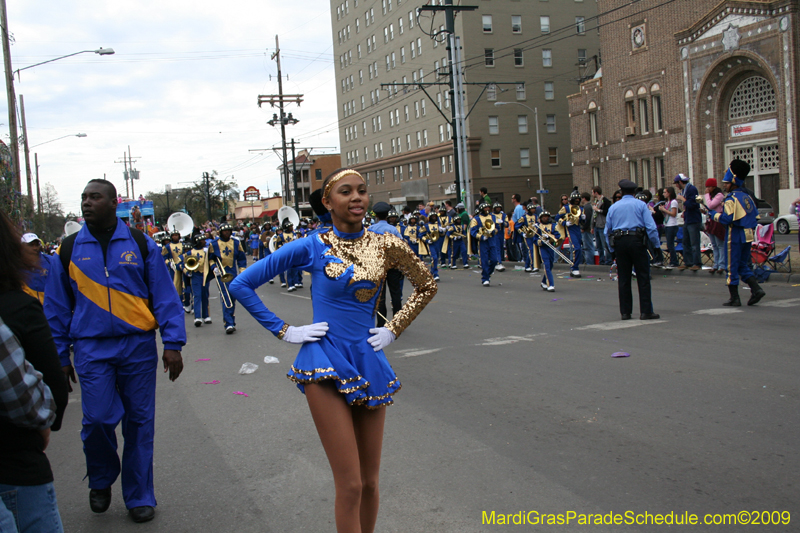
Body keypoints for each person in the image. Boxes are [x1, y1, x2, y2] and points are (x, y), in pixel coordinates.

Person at [229, 169, 436, 533]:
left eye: (361, 191)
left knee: (370, 483)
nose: (356, 197)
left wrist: (392, 329)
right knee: (351, 483)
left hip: (368, 358)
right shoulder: (312, 245)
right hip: (323, 362)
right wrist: (286, 330)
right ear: (327, 202)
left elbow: (426, 285)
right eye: (345, 192)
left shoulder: (386, 244)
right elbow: (242, 283)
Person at [44, 179, 185, 523]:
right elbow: (57, 307)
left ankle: (139, 495)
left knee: (139, 423)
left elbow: (165, 295)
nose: (87, 203)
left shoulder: (140, 243)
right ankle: (102, 478)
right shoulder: (69, 249)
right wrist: (60, 357)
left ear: (112, 202)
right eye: (84, 198)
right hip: (91, 348)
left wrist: (173, 343)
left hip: (137, 346)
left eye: (94, 197)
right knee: (96, 419)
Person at [1, 210, 69, 533]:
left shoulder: (51, 265)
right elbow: (35, 397)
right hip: (16, 467)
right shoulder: (16, 307)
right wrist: (44, 423)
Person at [605, 179, 661, 320]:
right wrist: (656, 245)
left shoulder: (614, 207)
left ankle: (625, 312)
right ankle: (646, 311)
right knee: (643, 276)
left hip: (620, 242)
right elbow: (651, 227)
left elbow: (607, 231)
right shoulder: (641, 205)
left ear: (621, 192)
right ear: (634, 192)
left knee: (623, 278)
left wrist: (612, 250)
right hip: (637, 241)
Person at [713, 161, 765, 306]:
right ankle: (757, 289)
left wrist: (713, 215)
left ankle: (734, 298)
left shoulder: (731, 199)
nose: (724, 185)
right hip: (748, 234)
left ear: (734, 182)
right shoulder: (747, 196)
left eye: (726, 183)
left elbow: (727, 219)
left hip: (734, 234)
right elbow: (754, 217)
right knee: (743, 265)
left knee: (731, 266)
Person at [368, 203, 404, 328]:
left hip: (378, 266)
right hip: (393, 265)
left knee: (380, 295)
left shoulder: (370, 229)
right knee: (395, 294)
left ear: (376, 215)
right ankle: (397, 323)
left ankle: (381, 322)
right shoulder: (393, 229)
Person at [207, 223, 247, 334]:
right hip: (221, 273)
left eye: (228, 231)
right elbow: (210, 259)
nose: (227, 233)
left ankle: (231, 320)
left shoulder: (236, 243)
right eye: (225, 231)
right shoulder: (214, 244)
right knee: (226, 298)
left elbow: (241, 259)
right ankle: (228, 323)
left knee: (233, 297)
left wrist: (242, 272)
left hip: (233, 273)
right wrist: (213, 267)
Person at [674, 174, 702, 271]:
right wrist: (685, 212)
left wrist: (682, 199)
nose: (676, 186)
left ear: (680, 182)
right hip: (688, 218)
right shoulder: (684, 190)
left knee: (694, 243)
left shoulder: (691, 189)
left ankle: (697, 263)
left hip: (694, 220)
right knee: (686, 242)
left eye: (676, 184)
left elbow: (693, 204)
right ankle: (688, 262)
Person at [470, 202, 498, 286]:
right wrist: (481, 236)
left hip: (492, 239)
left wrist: (493, 231)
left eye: (488, 208)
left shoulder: (493, 216)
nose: (487, 209)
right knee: (484, 260)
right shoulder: (476, 219)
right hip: (483, 242)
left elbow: (497, 228)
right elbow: (473, 231)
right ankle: (485, 278)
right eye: (485, 208)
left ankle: (488, 273)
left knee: (494, 260)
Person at [20, 233, 52, 305]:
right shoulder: (16, 265)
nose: (35, 248)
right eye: (31, 245)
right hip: (27, 309)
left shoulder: (50, 261)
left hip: (48, 309)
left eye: (37, 244)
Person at [702, 178, 726, 274]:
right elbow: (708, 208)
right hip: (711, 221)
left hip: (718, 221)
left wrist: (706, 195)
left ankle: (722, 265)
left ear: (713, 187)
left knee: (720, 244)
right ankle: (715, 264)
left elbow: (711, 205)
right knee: (714, 245)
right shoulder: (711, 196)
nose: (707, 189)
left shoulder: (719, 195)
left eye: (709, 187)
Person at [557, 189, 583, 277]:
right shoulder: (566, 208)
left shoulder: (580, 208)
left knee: (579, 249)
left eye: (578, 200)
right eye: (576, 200)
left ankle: (574, 266)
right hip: (570, 229)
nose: (577, 202)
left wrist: (583, 218)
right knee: (576, 248)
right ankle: (575, 268)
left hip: (578, 229)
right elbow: (557, 217)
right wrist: (564, 223)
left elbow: (583, 222)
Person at [533, 211, 560, 292]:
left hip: (551, 246)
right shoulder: (538, 227)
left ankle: (544, 281)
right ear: (541, 218)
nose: (545, 218)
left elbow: (557, 236)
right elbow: (534, 240)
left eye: (546, 216)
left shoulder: (553, 226)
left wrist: (550, 238)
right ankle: (550, 284)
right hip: (543, 248)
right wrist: (541, 241)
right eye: (543, 217)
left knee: (551, 265)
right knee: (547, 265)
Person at [658, 186, 680, 270]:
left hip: (672, 225)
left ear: (669, 193)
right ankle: (672, 261)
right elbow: (667, 214)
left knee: (670, 244)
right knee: (668, 244)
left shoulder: (674, 202)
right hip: (667, 224)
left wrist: (664, 209)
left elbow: (673, 214)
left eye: (665, 192)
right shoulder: (667, 202)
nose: (663, 194)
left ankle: (674, 261)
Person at [591, 187, 612, 265]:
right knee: (599, 245)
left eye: (592, 192)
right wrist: (592, 226)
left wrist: (598, 210)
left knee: (605, 244)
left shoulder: (605, 201)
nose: (592, 194)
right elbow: (594, 215)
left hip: (602, 225)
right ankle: (601, 260)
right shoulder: (596, 201)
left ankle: (608, 260)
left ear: (596, 192)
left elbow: (607, 212)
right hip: (596, 225)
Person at [516, 203, 540, 273]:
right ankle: (531, 265)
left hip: (535, 235)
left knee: (535, 250)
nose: (533, 210)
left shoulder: (536, 216)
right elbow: (517, 226)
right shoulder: (524, 217)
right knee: (531, 250)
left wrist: (537, 225)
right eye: (532, 209)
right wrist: (522, 233)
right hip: (528, 236)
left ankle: (531, 265)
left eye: (534, 209)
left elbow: (539, 224)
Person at [450, 204, 469, 269]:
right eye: (457, 220)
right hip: (455, 241)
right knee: (454, 253)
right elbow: (448, 234)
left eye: (459, 220)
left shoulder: (462, 225)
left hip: (460, 240)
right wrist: (453, 237)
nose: (459, 221)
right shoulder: (452, 227)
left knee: (464, 250)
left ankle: (465, 263)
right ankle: (453, 264)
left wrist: (463, 235)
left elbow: (464, 231)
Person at [579, 192, 596, 265]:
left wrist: (583, 227)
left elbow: (587, 219)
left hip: (586, 230)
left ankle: (590, 263)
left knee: (588, 247)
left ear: (584, 198)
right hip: (587, 229)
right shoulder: (588, 207)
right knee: (587, 246)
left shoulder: (587, 207)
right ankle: (588, 261)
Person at [491, 202, 508, 270]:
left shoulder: (503, 215)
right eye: (496, 208)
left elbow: (507, 224)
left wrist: (503, 223)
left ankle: (500, 259)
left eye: (499, 208)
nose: (498, 209)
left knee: (501, 247)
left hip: (501, 232)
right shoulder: (491, 215)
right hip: (495, 233)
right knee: (497, 247)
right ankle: (498, 262)